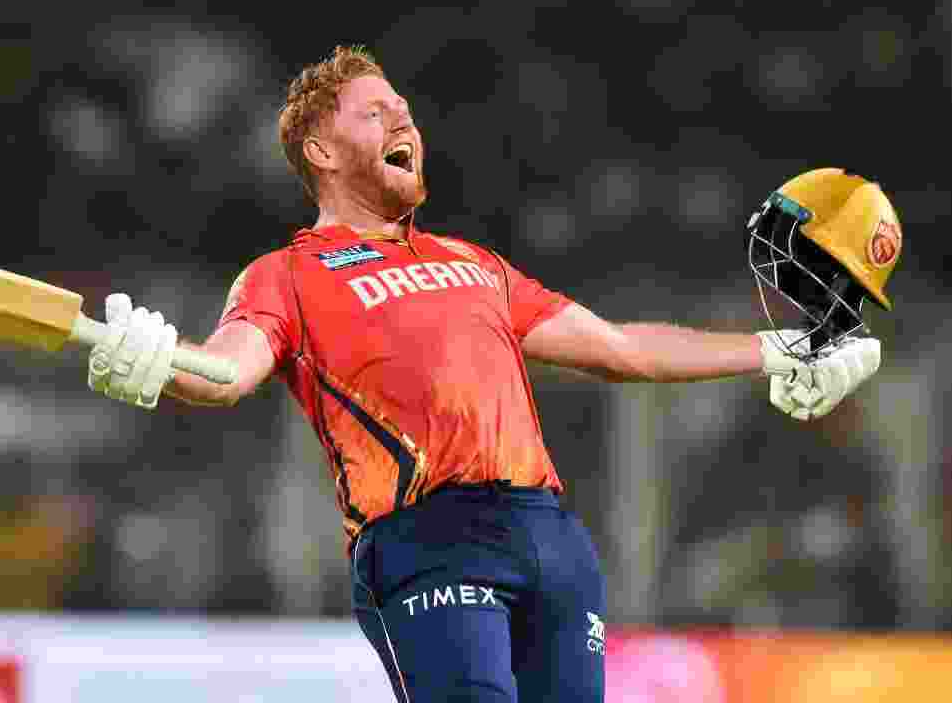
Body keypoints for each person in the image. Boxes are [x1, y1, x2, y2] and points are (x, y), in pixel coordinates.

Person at [84, 45, 883, 702]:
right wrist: (160, 363)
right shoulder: (285, 276)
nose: (404, 122)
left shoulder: (474, 263)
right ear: (322, 152)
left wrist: (779, 348)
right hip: (427, 539)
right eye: (376, 113)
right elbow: (226, 372)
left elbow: (621, 348)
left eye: (404, 111)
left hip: (552, 539)